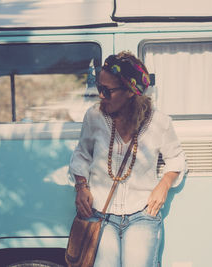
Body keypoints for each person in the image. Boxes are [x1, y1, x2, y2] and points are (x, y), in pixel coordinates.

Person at [69, 51, 186, 267]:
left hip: (142, 213)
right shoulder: (94, 116)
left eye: (107, 90)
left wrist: (164, 184)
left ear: (131, 91)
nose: (101, 95)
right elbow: (82, 154)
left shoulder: (159, 122)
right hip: (100, 213)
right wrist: (81, 186)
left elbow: (176, 159)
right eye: (99, 88)